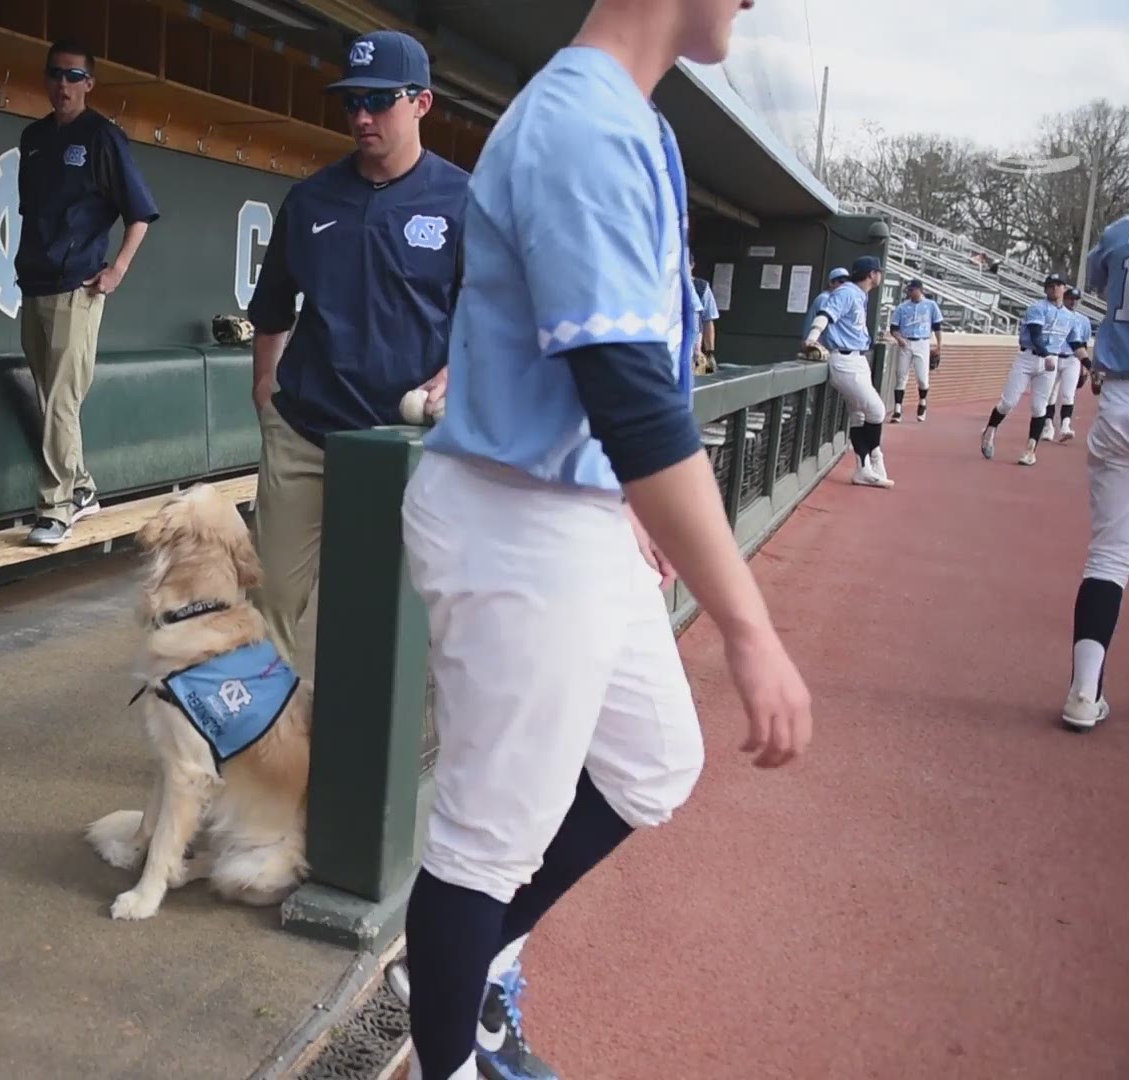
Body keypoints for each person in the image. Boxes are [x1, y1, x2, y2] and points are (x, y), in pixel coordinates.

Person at [389, 2, 814, 1077]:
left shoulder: (642, 123)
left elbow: (610, 379)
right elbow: (631, 401)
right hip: (513, 518)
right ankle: (448, 1037)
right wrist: (748, 627)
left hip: (572, 504)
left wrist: (627, 500)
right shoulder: (581, 122)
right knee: (485, 841)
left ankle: (471, 965)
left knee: (655, 764)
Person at [244, 28, 469, 670]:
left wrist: (459, 370)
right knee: (271, 601)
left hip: (403, 449)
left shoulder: (463, 200)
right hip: (307, 431)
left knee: (379, 607)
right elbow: (271, 307)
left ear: (421, 103)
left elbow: (496, 316)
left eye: (378, 101)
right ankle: (260, 751)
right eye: (351, 103)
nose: (361, 116)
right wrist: (266, 391)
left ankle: (358, 757)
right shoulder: (312, 197)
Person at [14, 39, 161, 546]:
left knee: (60, 397)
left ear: (89, 84)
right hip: (34, 284)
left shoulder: (103, 137)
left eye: (74, 77)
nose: (63, 85)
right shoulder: (31, 138)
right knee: (49, 395)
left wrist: (117, 268)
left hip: (78, 286)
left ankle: (54, 507)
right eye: (56, 74)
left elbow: (140, 213)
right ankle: (80, 486)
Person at [1061, 208, 1129, 732]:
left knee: (1110, 557)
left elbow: (1100, 282)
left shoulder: (1123, 229)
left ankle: (1082, 691)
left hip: (1122, 397)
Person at [802, 255, 895, 487]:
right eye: (878, 271)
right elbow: (825, 315)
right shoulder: (847, 292)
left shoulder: (859, 294)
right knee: (876, 410)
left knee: (859, 416)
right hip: (844, 359)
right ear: (871, 274)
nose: (880, 275)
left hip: (857, 358)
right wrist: (812, 339)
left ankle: (863, 469)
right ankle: (875, 459)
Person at [979, 273, 1075, 467]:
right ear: (1045, 289)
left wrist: (1088, 367)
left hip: (1050, 361)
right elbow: (1036, 335)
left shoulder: (1069, 316)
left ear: (1064, 288)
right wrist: (1047, 354)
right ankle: (990, 430)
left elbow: (1076, 343)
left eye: (1058, 285)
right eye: (1050, 285)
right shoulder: (1037, 308)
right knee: (1008, 402)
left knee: (1040, 407)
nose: (1054, 288)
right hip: (1028, 357)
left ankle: (1031, 450)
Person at [888, 278, 944, 423]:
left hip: (922, 342)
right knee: (901, 376)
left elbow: (937, 327)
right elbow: (893, 328)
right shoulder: (902, 307)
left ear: (920, 289)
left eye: (912, 290)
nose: (910, 292)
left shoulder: (931, 305)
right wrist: (899, 338)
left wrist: (939, 345)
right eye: (908, 290)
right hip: (906, 342)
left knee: (922, 379)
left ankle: (922, 403)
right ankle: (897, 410)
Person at [1046, 286, 1093, 443]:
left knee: (1068, 394)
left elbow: (1083, 344)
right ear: (1064, 298)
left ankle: (1065, 425)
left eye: (1075, 299)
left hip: (1072, 358)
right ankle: (1048, 425)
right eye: (1070, 298)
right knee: (1050, 394)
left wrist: (1084, 367)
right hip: (1055, 356)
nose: (1072, 302)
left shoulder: (1083, 320)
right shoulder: (1056, 314)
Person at [802, 265, 849, 344]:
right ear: (831, 283)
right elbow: (826, 326)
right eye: (841, 282)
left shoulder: (834, 298)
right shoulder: (825, 299)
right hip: (814, 343)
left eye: (847, 282)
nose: (844, 285)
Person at [690, 252, 719, 375]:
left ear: (692, 265)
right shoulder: (666, 286)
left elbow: (708, 320)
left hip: (694, 353)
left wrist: (709, 352)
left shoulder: (700, 287)